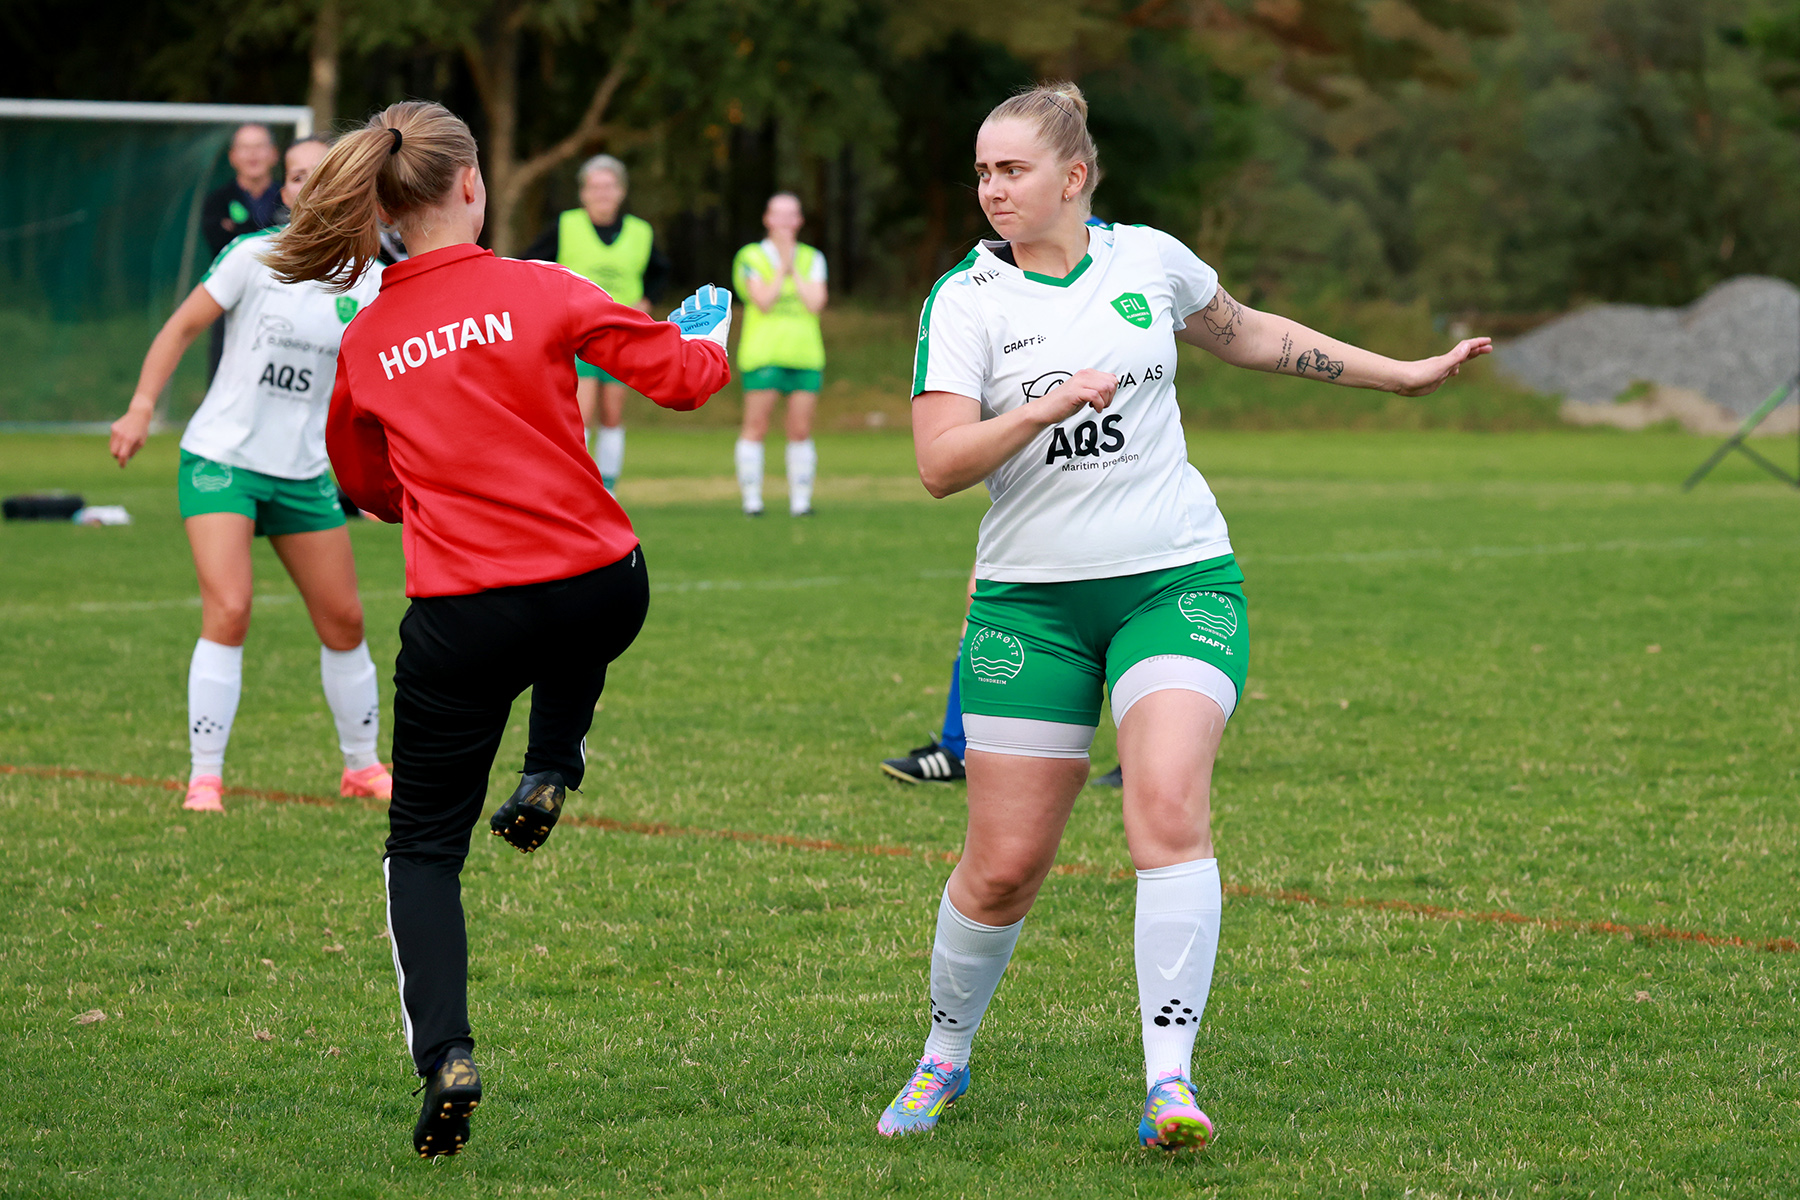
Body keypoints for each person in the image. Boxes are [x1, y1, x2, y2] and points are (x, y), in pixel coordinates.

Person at [876, 82, 1489, 1149]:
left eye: (1012, 169)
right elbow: (938, 465)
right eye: (981, 172)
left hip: (1176, 583)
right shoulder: (966, 299)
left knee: (1165, 809)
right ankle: (944, 1056)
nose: (991, 190)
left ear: (1074, 176)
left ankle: (1170, 1084)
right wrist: (1045, 405)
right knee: (1004, 868)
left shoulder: (1149, 261)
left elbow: (1250, 335)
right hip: (1031, 607)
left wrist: (1399, 377)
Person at [264, 100, 732, 1159]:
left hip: (465, 615)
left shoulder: (367, 338)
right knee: (584, 607)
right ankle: (553, 765)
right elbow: (685, 380)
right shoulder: (542, 286)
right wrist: (709, 328)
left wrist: (436, 487)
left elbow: (365, 488)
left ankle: (448, 1057)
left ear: (386, 208)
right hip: (600, 588)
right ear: (471, 185)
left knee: (423, 851)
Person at [108, 135, 390, 816]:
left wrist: (382, 473)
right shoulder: (253, 255)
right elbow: (180, 329)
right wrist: (141, 407)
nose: (304, 186)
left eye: (317, 174)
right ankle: (205, 778)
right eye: (294, 177)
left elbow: (383, 383)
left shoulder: (372, 280)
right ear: (285, 193)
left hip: (303, 472)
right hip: (222, 460)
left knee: (345, 620)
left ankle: (362, 769)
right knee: (230, 609)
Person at [520, 154, 673, 490]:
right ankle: (579, 484)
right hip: (577, 334)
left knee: (613, 413)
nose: (602, 193)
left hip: (621, 333)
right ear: (583, 193)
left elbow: (660, 271)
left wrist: (647, 300)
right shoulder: (566, 226)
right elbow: (530, 266)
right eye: (595, 187)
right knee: (581, 411)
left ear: (621, 191)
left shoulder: (640, 232)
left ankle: (609, 488)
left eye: (609, 186)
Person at [731, 193, 828, 516]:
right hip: (764, 354)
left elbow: (815, 303)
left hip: (805, 355)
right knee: (756, 426)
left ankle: (801, 501)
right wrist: (783, 266)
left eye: (791, 215)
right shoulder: (750, 256)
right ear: (767, 219)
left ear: (799, 221)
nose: (785, 222)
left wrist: (793, 268)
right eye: (778, 215)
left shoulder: (813, 258)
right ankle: (752, 500)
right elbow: (763, 300)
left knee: (800, 429)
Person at [201, 124, 284, 382]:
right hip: (230, 303)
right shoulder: (217, 200)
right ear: (233, 156)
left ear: (274, 154)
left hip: (281, 302)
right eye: (245, 148)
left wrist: (239, 230)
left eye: (259, 146)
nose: (253, 154)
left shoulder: (291, 199)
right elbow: (219, 244)